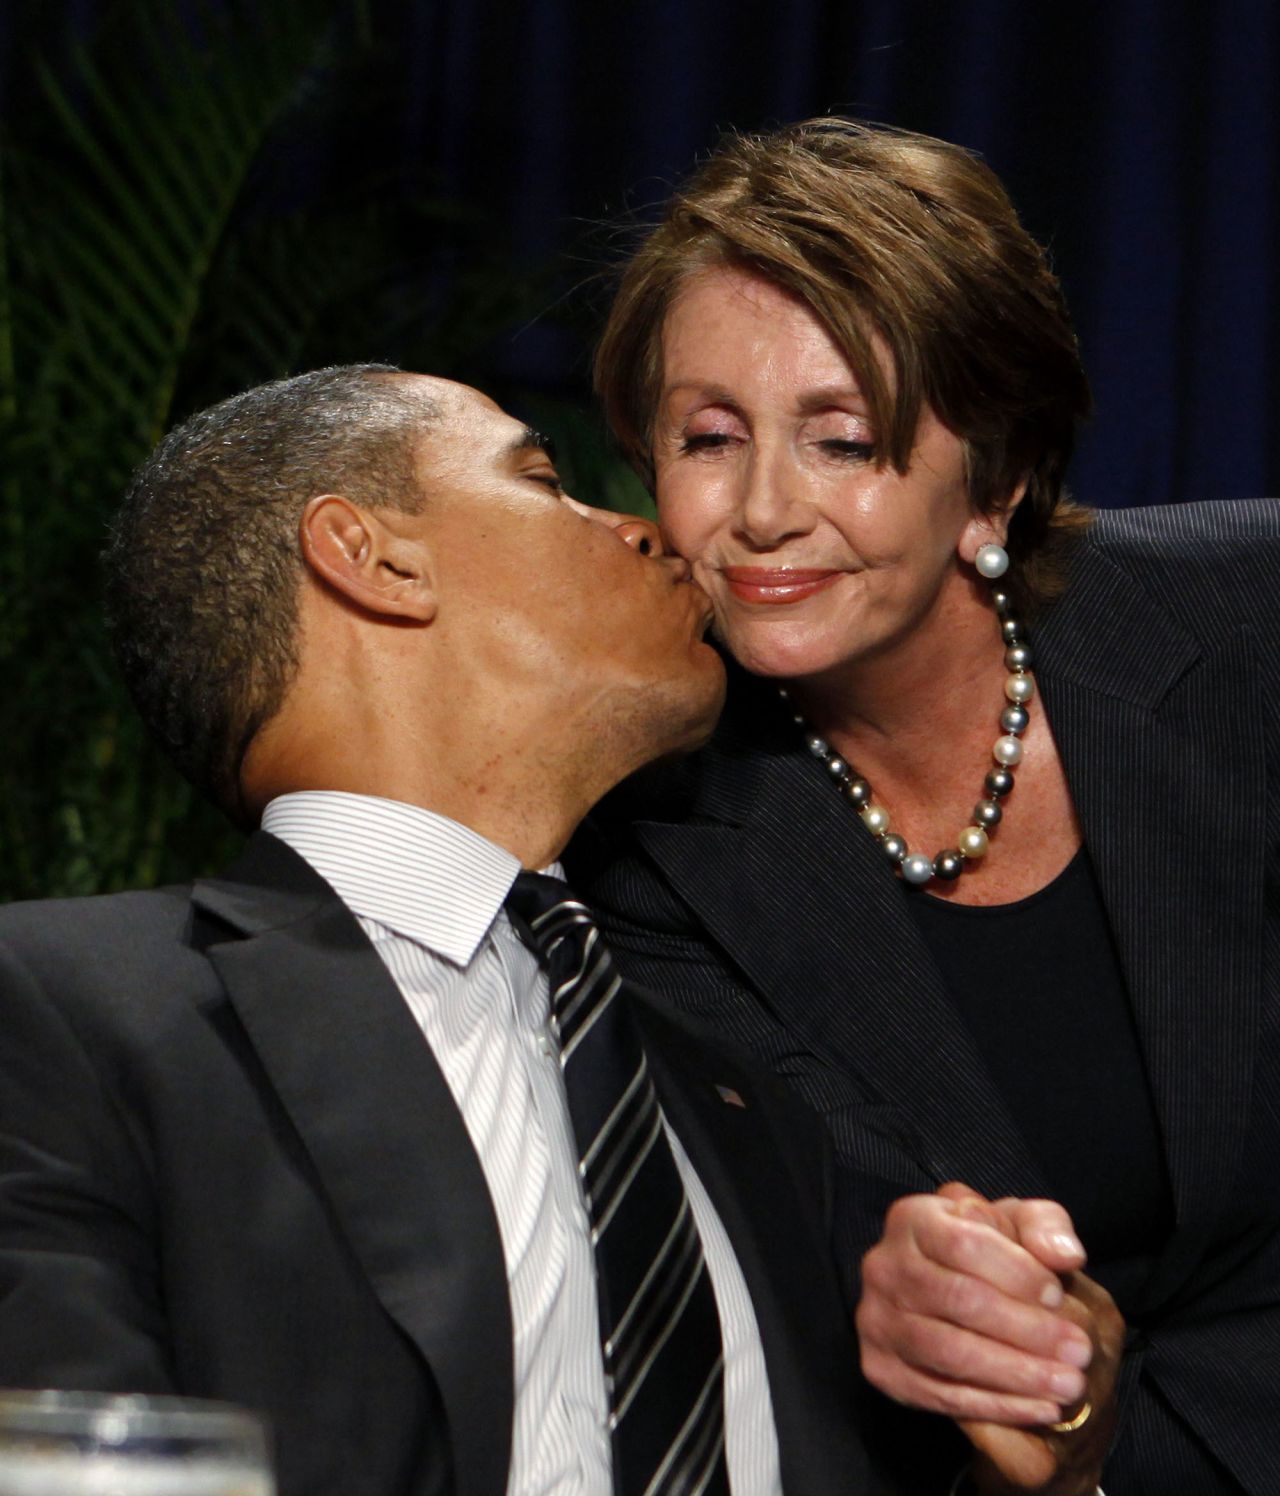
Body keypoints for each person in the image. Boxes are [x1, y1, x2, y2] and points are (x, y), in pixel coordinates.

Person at [0, 365, 1113, 1496]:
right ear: (374, 558)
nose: (649, 533)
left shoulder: (743, 1107)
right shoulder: (63, 1013)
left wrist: (1041, 1421)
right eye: (541, 480)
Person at [570, 117, 1280, 1495]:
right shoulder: (642, 849)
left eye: (844, 440)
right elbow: (836, 1235)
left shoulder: (1251, 630)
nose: (762, 510)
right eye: (708, 437)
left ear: (995, 475)